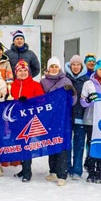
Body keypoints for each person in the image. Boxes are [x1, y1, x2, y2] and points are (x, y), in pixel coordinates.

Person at [39, 57, 76, 186]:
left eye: (56, 66)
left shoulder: (66, 81)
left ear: (59, 68)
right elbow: (40, 98)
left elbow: (73, 101)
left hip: (63, 118)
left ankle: (62, 174)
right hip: (49, 118)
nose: (54, 69)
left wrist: (72, 93)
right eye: (52, 66)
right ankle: (53, 171)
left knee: (62, 144)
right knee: (51, 143)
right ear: (48, 68)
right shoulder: (43, 82)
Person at [7, 60, 46, 182]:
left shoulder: (35, 85)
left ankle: (27, 171)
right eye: (20, 71)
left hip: (29, 120)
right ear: (16, 72)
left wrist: (29, 102)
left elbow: (41, 101)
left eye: (25, 70)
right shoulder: (12, 85)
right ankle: (24, 168)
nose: (23, 73)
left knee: (26, 145)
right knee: (19, 145)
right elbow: (8, 101)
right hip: (15, 120)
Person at [65, 55, 89, 180]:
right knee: (67, 144)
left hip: (81, 116)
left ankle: (77, 170)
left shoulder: (87, 81)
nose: (75, 67)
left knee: (79, 145)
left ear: (81, 66)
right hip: (67, 117)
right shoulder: (64, 79)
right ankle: (67, 167)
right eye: (73, 65)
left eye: (78, 64)